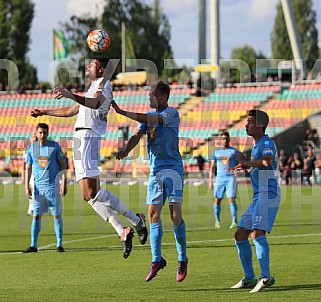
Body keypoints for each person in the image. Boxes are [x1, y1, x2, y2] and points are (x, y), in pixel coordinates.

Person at [30, 57, 147, 259]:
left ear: (101, 70)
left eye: (92, 64)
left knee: (93, 193)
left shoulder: (104, 85)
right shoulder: (93, 87)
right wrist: (44, 112)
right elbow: (69, 111)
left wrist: (69, 94)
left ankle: (135, 222)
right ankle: (126, 229)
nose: (88, 66)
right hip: (82, 138)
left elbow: (94, 104)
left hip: (87, 136)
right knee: (89, 196)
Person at [112, 80, 188, 282]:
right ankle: (157, 259)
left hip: (173, 169)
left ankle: (182, 258)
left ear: (163, 96)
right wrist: (126, 151)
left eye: (152, 94)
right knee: (152, 214)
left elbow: (149, 118)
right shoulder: (148, 118)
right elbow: (138, 134)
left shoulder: (171, 113)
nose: (149, 97)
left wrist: (122, 112)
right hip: (156, 171)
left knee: (174, 215)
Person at [229, 110, 280, 293]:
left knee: (257, 234)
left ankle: (265, 276)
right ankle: (249, 278)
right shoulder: (257, 144)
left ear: (260, 125)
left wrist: (247, 163)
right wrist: (244, 168)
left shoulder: (267, 143)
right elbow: (260, 168)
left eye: (250, 122)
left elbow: (267, 162)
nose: (246, 125)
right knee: (240, 235)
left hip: (269, 194)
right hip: (259, 195)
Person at [23, 123, 67, 253]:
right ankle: (33, 245)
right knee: (36, 216)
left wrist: (64, 182)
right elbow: (28, 168)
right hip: (38, 188)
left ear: (48, 133)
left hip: (52, 187)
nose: (42, 135)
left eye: (45, 133)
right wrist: (26, 186)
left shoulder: (54, 146)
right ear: (36, 133)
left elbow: (63, 165)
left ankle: (59, 245)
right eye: (40, 133)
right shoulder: (31, 149)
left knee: (56, 215)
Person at [209, 131, 239, 229]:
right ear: (221, 140)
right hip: (220, 178)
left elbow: (241, 162)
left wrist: (238, 168)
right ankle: (217, 221)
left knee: (231, 199)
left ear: (229, 140)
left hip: (230, 177)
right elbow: (212, 167)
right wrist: (210, 180)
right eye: (223, 139)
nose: (224, 140)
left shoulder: (234, 151)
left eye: (226, 139)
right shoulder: (216, 152)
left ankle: (234, 221)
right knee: (217, 200)